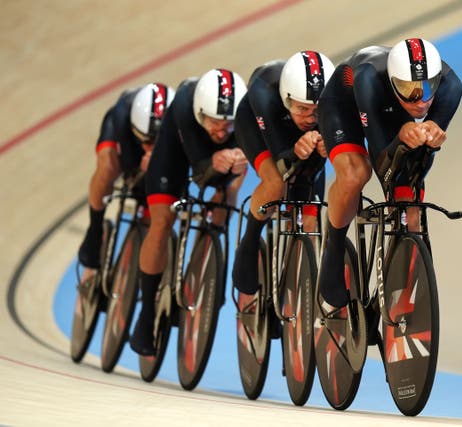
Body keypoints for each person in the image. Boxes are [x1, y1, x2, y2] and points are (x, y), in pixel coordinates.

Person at [316, 38, 462, 310]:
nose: (421, 101)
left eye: (428, 87)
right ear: (394, 82)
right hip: (345, 105)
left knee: (409, 198)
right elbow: (383, 164)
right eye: (409, 90)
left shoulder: (451, 87)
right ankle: (333, 249)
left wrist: (426, 139)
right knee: (355, 174)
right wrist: (400, 140)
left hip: (391, 109)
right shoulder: (368, 79)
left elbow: (417, 166)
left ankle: (402, 295)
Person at [129, 68, 249, 355]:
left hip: (216, 159)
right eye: (215, 123)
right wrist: (218, 162)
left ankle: (206, 253)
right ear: (200, 113)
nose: (221, 131)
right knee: (162, 222)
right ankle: (146, 314)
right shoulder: (185, 103)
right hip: (176, 154)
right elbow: (199, 169)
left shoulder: (241, 116)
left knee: (230, 185)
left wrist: (233, 174)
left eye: (228, 124)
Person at [231, 51, 335, 301]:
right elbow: (282, 160)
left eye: (317, 110)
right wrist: (298, 149)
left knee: (309, 215)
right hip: (260, 128)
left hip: (299, 140)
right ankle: (251, 238)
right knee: (276, 182)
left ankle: (295, 299)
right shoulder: (264, 91)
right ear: (287, 99)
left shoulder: (330, 103)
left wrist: (326, 147)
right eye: (303, 109)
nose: (310, 118)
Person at [77, 83, 175, 284]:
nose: (151, 147)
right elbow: (125, 163)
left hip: (160, 147)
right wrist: (137, 167)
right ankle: (95, 230)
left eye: (156, 143)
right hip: (125, 138)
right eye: (147, 142)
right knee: (108, 167)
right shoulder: (122, 116)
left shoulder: (178, 128)